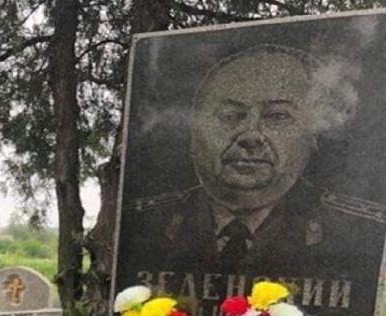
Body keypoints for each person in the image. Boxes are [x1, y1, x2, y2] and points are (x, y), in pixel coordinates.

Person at [122, 44, 385, 276]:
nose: (250, 136)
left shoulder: (359, 227)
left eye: (277, 116)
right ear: (194, 134)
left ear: (312, 134)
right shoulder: (144, 221)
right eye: (229, 116)